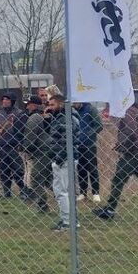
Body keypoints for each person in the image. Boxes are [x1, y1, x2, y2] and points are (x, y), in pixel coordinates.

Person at [93, 100, 138, 223]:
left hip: (131, 153)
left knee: (118, 180)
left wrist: (121, 145)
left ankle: (110, 210)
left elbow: (129, 131)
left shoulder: (128, 112)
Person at [46, 95, 80, 231]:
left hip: (63, 159)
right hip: (65, 158)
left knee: (62, 191)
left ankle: (67, 222)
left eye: (53, 105)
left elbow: (67, 141)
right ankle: (71, 219)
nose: (50, 107)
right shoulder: (63, 117)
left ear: (60, 104)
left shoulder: (65, 118)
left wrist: (58, 159)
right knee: (67, 191)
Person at [0, 94, 28, 200]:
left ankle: (23, 191)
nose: (4, 101)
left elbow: (25, 130)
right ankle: (7, 192)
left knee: (18, 170)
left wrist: (22, 143)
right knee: (4, 170)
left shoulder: (19, 114)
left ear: (12, 101)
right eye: (3, 99)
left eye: (7, 100)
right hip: (1, 146)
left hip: (15, 146)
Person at [19, 96, 51, 214]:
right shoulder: (44, 116)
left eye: (29, 104)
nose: (27, 106)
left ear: (34, 105)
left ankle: (42, 205)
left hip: (41, 151)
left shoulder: (34, 117)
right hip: (49, 149)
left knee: (36, 178)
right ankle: (66, 199)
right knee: (49, 179)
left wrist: (26, 148)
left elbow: (30, 136)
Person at [73, 101, 103, 203]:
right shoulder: (73, 111)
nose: (74, 104)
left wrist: (87, 135)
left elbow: (99, 125)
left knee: (92, 168)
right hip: (77, 145)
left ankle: (96, 193)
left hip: (90, 145)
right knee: (81, 169)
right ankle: (83, 192)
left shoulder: (90, 109)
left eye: (75, 102)